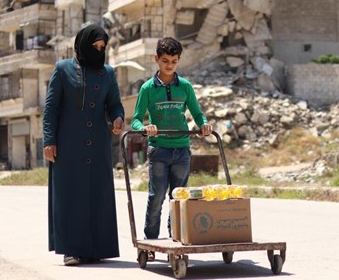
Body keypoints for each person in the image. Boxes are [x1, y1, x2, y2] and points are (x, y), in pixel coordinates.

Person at [43, 24, 125, 266]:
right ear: (82, 44)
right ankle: (70, 249)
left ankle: (96, 248)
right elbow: (51, 109)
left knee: (97, 196)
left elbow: (115, 104)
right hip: (68, 144)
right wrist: (49, 140)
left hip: (98, 144)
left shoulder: (108, 73)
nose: (98, 51)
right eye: (94, 47)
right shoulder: (63, 69)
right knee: (70, 195)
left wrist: (118, 118)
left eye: (102, 48)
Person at [131, 37, 212, 260]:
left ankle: (175, 244)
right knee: (156, 196)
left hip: (182, 150)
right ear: (156, 59)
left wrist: (203, 124)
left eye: (174, 61)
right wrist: (145, 128)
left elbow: (197, 113)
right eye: (165, 60)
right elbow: (136, 120)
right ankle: (150, 243)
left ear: (178, 61)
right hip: (159, 151)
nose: (169, 65)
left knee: (178, 199)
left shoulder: (185, 86)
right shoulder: (147, 88)